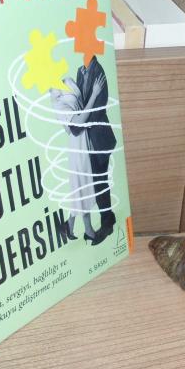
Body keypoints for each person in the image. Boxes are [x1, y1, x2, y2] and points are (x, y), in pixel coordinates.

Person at [50, 75, 105, 243]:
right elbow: (76, 124)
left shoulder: (67, 80)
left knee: (80, 188)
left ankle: (68, 226)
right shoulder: (57, 99)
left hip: (85, 140)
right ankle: (89, 231)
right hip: (78, 145)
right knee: (82, 187)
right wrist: (94, 94)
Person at [73, 55, 116, 246]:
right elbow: (79, 103)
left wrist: (80, 122)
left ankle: (108, 224)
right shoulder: (80, 71)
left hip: (100, 139)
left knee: (100, 184)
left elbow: (98, 108)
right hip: (87, 142)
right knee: (94, 184)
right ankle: (107, 218)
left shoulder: (99, 71)